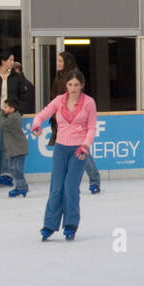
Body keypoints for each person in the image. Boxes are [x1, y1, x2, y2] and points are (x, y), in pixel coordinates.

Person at [30, 68, 97, 241]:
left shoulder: (89, 103)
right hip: (60, 148)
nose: (73, 88)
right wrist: (36, 125)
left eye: (76, 84)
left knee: (70, 187)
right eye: (70, 84)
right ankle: (49, 225)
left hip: (78, 151)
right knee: (56, 188)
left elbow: (91, 128)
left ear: (82, 85)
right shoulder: (59, 101)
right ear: (66, 85)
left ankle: (70, 225)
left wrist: (85, 146)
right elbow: (42, 114)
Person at [0, 51, 34, 188]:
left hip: (12, 114)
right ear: (3, 61)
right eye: (11, 60)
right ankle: (0, 172)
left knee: (8, 144)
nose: (12, 62)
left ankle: (6, 173)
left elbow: (24, 95)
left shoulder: (16, 77)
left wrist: (18, 110)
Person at [56, 51, 102, 194]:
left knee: (82, 153)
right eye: (57, 61)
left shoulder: (74, 76)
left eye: (60, 61)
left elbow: (79, 99)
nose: (58, 64)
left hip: (77, 121)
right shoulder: (59, 77)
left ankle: (94, 179)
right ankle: (70, 183)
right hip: (63, 120)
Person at [0, 98, 29, 197]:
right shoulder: (10, 116)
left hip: (19, 148)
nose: (3, 109)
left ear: (12, 108)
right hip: (13, 148)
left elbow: (3, 124)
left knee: (17, 169)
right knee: (13, 168)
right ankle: (21, 186)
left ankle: (21, 187)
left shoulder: (14, 118)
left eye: (6, 107)